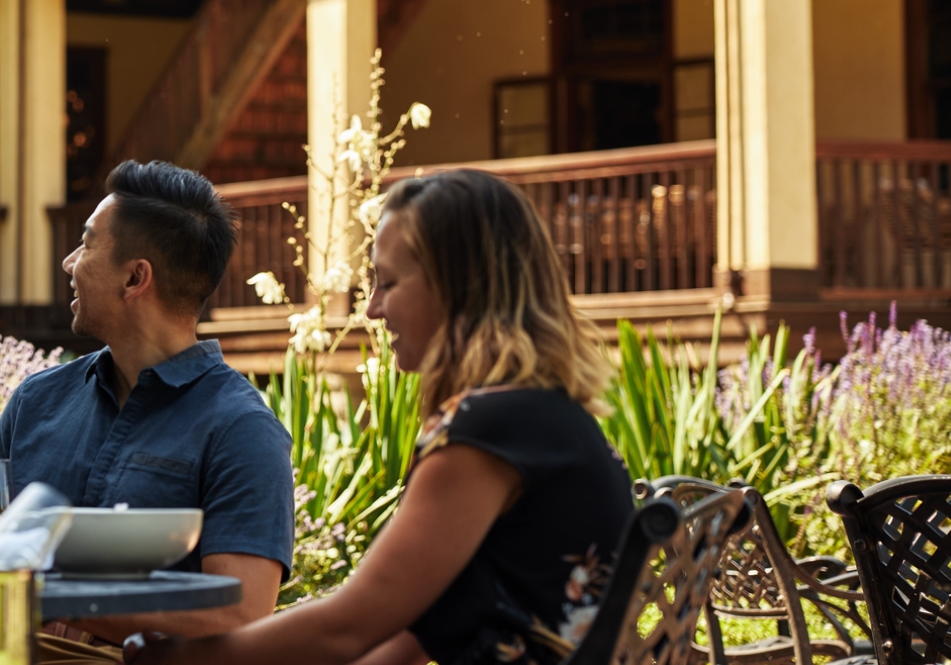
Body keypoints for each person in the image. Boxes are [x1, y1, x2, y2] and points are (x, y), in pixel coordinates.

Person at [126, 168, 632, 665]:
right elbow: (413, 637)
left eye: (387, 282)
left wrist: (183, 657)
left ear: (460, 285)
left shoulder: (488, 431)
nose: (371, 309)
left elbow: (345, 629)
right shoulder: (540, 414)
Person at [0, 160, 295, 663]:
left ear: (134, 277)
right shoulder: (35, 401)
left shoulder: (242, 430)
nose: (69, 262)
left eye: (85, 244)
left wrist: (44, 590)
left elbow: (239, 617)